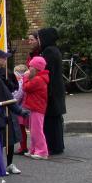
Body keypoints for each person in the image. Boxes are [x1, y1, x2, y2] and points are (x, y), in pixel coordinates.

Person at [38, 27, 66, 155]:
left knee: (51, 119)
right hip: (57, 88)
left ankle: (54, 145)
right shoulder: (54, 50)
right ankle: (57, 145)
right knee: (56, 118)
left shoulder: (48, 51)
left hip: (52, 89)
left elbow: (47, 71)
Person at [23, 56, 50, 160]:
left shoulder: (38, 79)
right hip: (35, 107)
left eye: (31, 67)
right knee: (33, 130)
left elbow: (26, 87)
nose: (29, 69)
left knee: (37, 131)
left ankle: (42, 151)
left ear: (36, 68)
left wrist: (25, 77)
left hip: (37, 108)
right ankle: (34, 149)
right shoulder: (39, 78)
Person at [13, 64, 29, 155]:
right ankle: (23, 146)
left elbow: (18, 95)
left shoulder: (20, 82)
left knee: (21, 129)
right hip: (23, 106)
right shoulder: (25, 81)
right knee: (22, 128)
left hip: (20, 107)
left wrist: (13, 102)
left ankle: (23, 147)